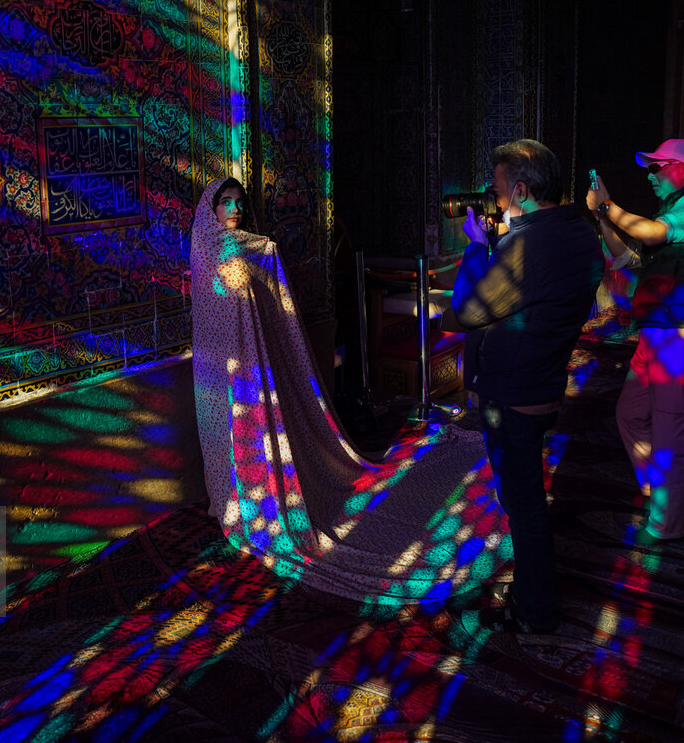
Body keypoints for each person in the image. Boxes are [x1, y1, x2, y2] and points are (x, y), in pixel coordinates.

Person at [189, 176, 495, 611]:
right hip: (221, 370)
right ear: (211, 209)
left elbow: (267, 306)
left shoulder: (257, 249)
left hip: (255, 368)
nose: (235, 208)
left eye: (239, 201)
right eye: (226, 202)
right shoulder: (209, 250)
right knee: (226, 435)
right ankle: (230, 502)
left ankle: (260, 500)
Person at [452, 139, 603, 633]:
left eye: (497, 192)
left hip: (514, 392)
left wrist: (478, 247)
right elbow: (533, 292)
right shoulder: (579, 232)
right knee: (527, 498)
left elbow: (469, 311)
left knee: (524, 506)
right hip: (542, 379)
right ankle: (530, 594)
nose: (494, 202)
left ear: (520, 189)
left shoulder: (528, 243)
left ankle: (535, 611)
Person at [586, 138, 684, 546]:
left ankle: (666, 526)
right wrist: (601, 219)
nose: (651, 175)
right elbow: (630, 262)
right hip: (657, 333)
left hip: (682, 335)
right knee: (630, 415)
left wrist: (607, 206)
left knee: (671, 436)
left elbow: (649, 236)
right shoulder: (673, 214)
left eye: (659, 167)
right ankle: (659, 493)